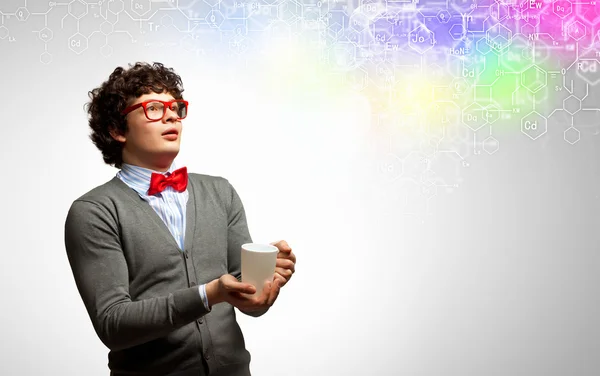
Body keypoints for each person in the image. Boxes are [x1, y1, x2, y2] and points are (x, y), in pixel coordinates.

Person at [64, 62, 296, 376]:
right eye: (154, 108)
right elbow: (113, 324)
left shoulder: (220, 192)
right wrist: (208, 294)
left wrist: (265, 282)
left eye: (176, 108)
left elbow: (247, 299)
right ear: (117, 130)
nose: (172, 116)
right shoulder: (95, 211)